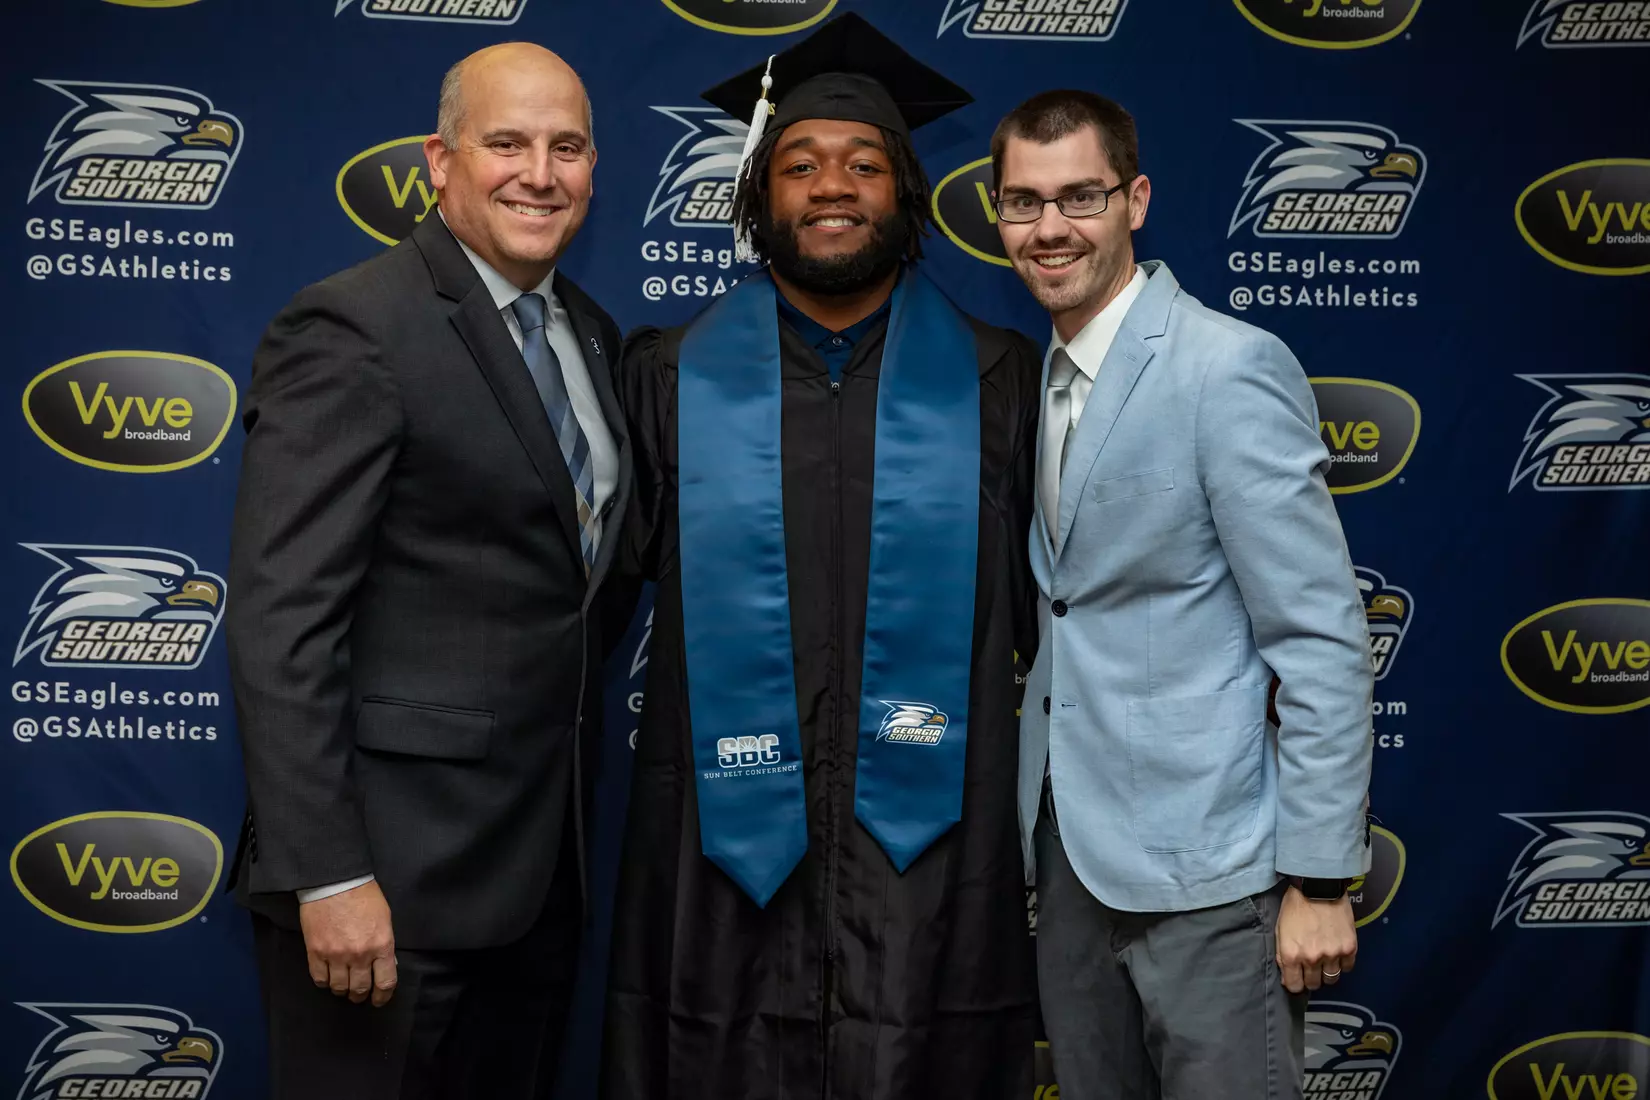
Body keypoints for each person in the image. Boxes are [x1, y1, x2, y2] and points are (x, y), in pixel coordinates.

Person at [602, 14, 1040, 1099]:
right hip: (720, 851)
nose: (831, 187)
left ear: (907, 194)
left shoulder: (1000, 383)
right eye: (798, 164)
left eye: (863, 163)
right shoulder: (668, 377)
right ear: (760, 198)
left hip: (932, 846)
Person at [225, 42, 630, 1100]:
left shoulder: (589, 334)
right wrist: (330, 871)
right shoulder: (356, 326)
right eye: (506, 143)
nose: (539, 172)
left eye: (567, 146)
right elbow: (283, 620)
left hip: (536, 885)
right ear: (438, 163)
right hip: (382, 892)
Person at [993, 89, 1376, 1100]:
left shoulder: (1226, 366)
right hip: (1070, 857)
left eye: (1080, 196)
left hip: (1215, 869)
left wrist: (1321, 878)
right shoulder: (1038, 378)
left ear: (1136, 199)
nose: (1051, 228)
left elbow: (1323, 636)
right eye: (1024, 203)